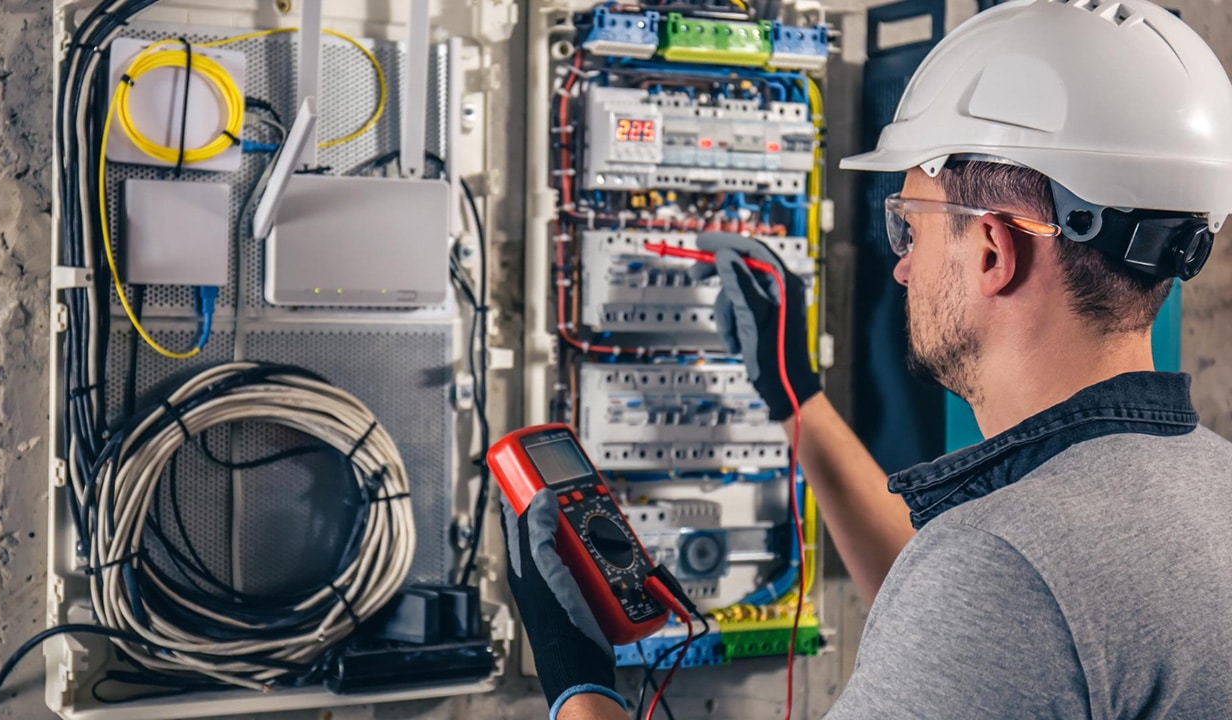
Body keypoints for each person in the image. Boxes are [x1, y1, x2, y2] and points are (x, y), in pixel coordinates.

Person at [503, 1, 1232, 718]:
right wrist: (797, 402)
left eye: (909, 225)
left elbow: (991, 612)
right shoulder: (1207, 490)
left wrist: (579, 683)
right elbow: (976, 654)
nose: (902, 268)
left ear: (991, 250)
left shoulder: (1002, 574)